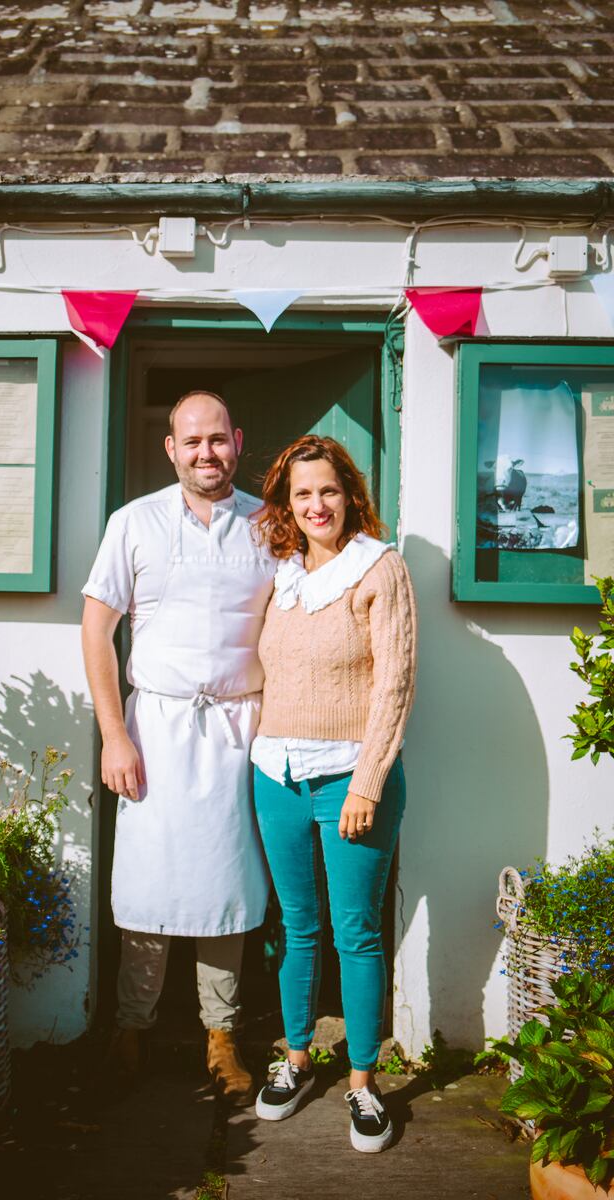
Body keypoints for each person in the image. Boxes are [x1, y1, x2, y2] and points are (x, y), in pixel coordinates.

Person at [81, 390, 275, 1104]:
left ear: (238, 441)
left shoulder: (269, 524)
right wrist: (113, 735)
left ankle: (220, 1039)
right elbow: (96, 631)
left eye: (217, 440)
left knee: (225, 888)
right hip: (154, 733)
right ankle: (130, 1027)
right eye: (191, 441)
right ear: (171, 449)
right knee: (148, 883)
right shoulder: (134, 523)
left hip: (237, 733)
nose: (206, 453)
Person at [250, 434, 417, 1152]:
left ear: (350, 495)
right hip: (275, 776)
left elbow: (395, 682)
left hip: (353, 778)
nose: (317, 505)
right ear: (288, 506)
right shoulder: (282, 574)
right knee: (295, 926)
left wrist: (369, 784)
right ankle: (294, 1060)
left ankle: (362, 1083)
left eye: (329, 491)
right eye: (302, 494)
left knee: (356, 933)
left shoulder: (380, 569)